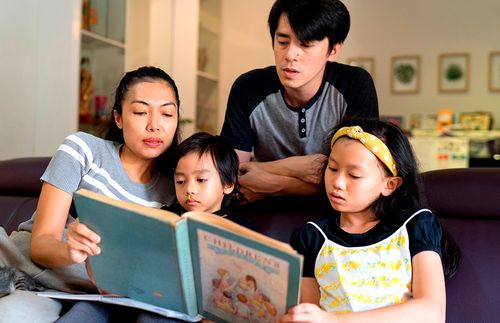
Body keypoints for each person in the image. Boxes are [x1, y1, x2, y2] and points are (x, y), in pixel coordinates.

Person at [5, 66, 182, 322]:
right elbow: (41, 243)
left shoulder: (175, 192)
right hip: (18, 268)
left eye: (167, 113)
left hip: (83, 299)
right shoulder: (83, 150)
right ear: (119, 118)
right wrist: (68, 251)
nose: (155, 125)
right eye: (141, 112)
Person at [280, 119, 459, 323]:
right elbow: (309, 314)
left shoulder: (415, 226)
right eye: (332, 168)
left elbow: (432, 312)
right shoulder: (311, 237)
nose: (337, 183)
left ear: (390, 185)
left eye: (354, 176)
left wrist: (335, 321)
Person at [220, 0, 378, 203]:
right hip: (264, 214)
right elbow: (232, 177)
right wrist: (310, 166)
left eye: (305, 44)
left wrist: (272, 181)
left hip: (335, 215)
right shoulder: (248, 88)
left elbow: (353, 180)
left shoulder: (354, 85)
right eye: (283, 42)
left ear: (333, 50)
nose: (290, 55)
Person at [170, 132, 245, 224]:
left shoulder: (239, 226)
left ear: (228, 184)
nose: (189, 189)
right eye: (180, 181)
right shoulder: (165, 215)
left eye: (201, 180)